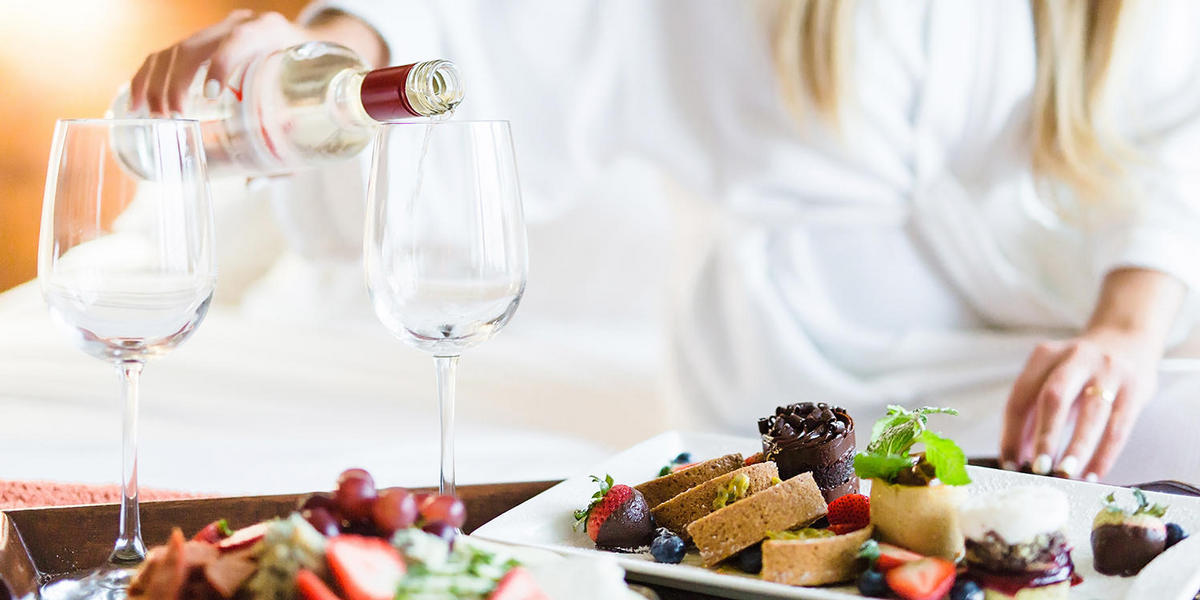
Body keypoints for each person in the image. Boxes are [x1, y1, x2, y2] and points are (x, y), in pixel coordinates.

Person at [127, 0, 1200, 484]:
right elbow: (481, 35)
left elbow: (1169, 150)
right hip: (794, 364)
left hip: (1064, 345)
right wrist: (321, 54)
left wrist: (1122, 337)